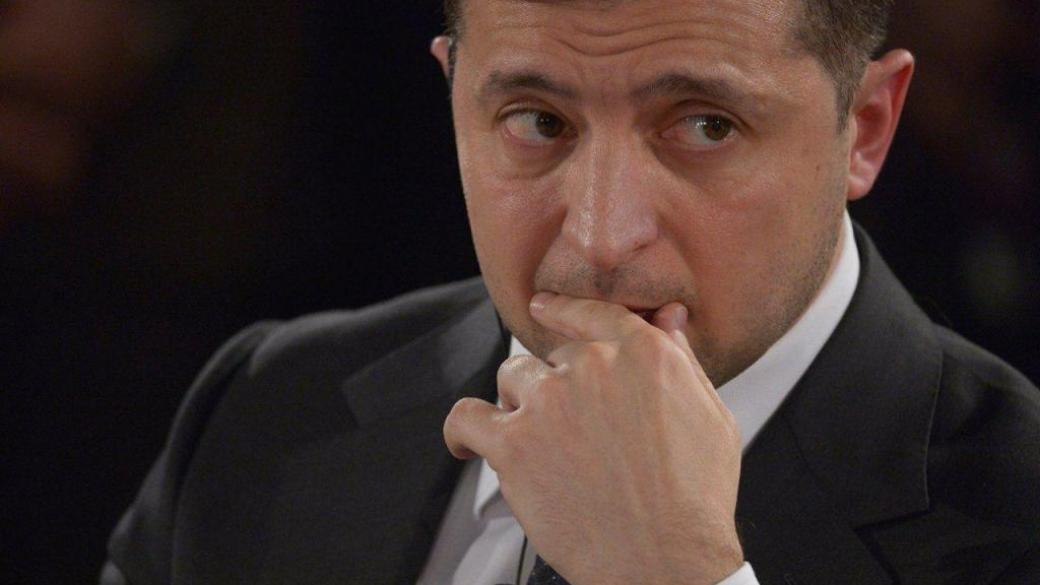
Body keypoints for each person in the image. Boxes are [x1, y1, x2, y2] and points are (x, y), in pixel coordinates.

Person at [102, 0, 1040, 583]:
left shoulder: (1016, 514)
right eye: (538, 121)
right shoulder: (266, 408)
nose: (599, 236)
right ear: (453, 93)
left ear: (865, 127)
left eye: (705, 126)